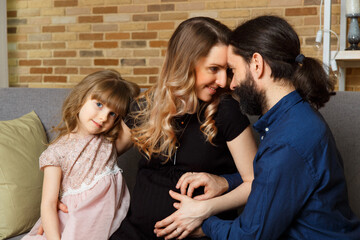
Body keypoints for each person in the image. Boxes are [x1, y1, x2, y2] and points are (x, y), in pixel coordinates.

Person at [157, 15, 360, 239]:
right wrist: (226, 182)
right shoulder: (293, 118)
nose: (230, 84)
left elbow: (250, 235)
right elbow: (274, 180)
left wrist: (204, 222)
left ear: (256, 64)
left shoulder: (287, 141)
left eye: (233, 70)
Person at [110, 16, 257, 240]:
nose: (223, 81)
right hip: (136, 233)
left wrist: (206, 209)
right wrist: (57, 207)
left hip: (200, 234)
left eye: (226, 70)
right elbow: (97, 156)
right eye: (214, 69)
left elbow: (256, 182)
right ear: (186, 64)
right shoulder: (147, 106)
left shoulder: (227, 111)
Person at [22, 69, 139, 240]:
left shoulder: (108, 144)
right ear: (81, 97)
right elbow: (48, 203)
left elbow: (144, 110)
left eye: (112, 113)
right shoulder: (57, 151)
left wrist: (126, 92)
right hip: (72, 224)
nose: (103, 117)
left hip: (111, 228)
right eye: (99, 104)